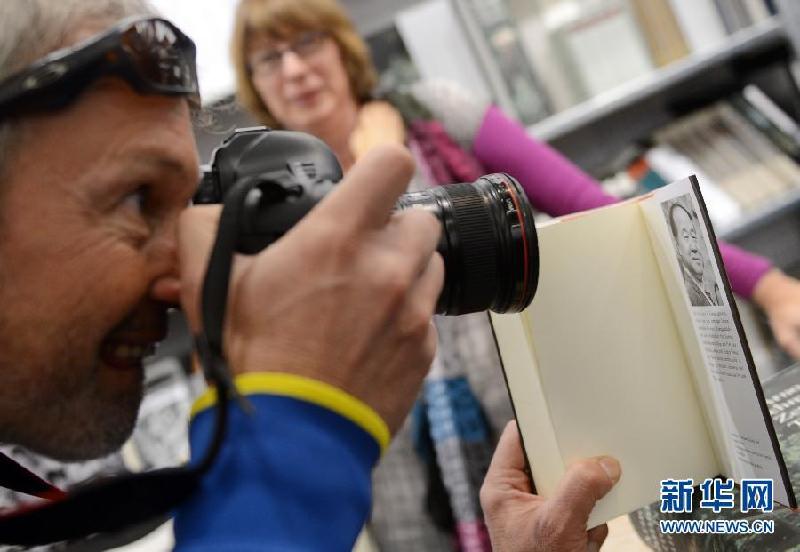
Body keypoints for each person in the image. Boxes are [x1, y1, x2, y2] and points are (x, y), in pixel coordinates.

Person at [0, 1, 619, 551]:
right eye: (138, 200)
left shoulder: (433, 111)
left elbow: (599, 211)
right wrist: (293, 429)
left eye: (184, 206)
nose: (184, 273)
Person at [231, 0, 800, 548]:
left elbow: (599, 208)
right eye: (270, 58)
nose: (296, 69)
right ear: (255, 84)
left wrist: (769, 286)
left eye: (307, 42)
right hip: (394, 464)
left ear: (340, 46)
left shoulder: (433, 114)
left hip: (540, 419)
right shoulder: (268, 205)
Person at [667, 201, 723, 307]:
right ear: (676, 245)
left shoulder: (707, 289)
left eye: (693, 236)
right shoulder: (690, 294)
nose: (694, 247)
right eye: (686, 237)